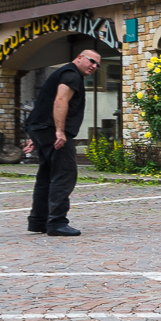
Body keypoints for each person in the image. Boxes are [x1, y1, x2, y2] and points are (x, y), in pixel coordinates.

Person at [26, 48, 101, 237]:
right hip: (51, 129)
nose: (94, 66)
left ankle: (38, 221)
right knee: (65, 173)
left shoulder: (62, 73)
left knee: (46, 175)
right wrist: (59, 131)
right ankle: (57, 222)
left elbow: (44, 101)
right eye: (91, 61)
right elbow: (59, 101)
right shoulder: (71, 75)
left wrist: (36, 134)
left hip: (41, 127)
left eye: (97, 65)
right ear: (79, 58)